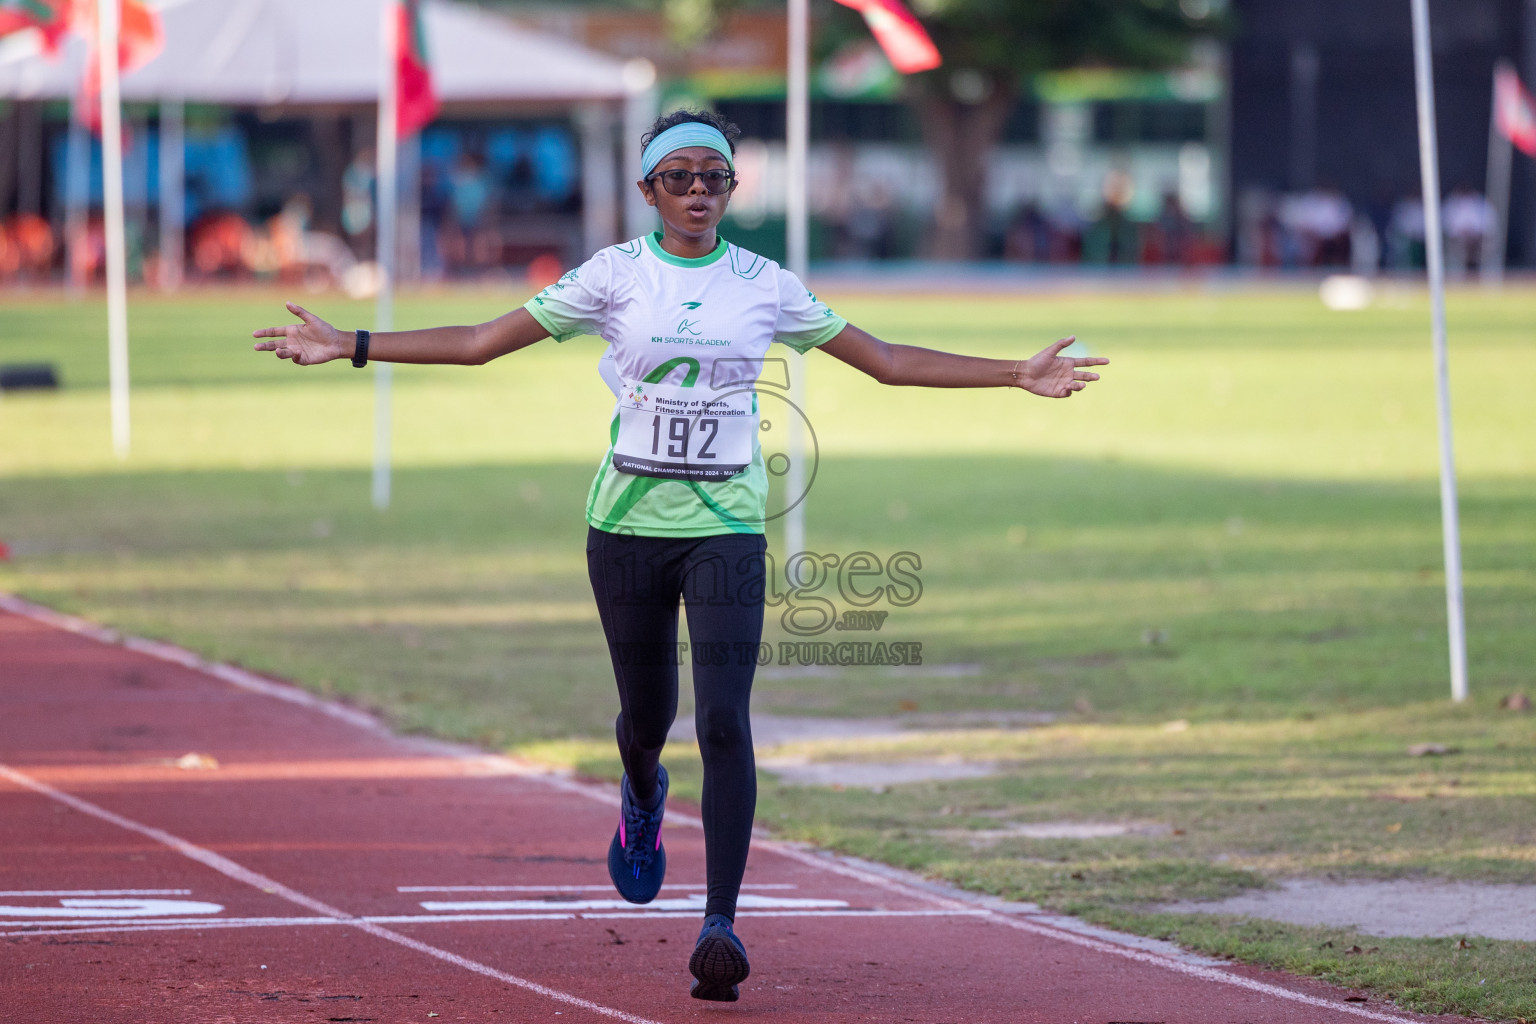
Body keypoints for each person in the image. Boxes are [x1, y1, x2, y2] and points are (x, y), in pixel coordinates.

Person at [252, 108, 1107, 1002]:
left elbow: (885, 361)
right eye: (681, 177)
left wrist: (1015, 372)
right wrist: (349, 344)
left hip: (726, 529)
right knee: (645, 722)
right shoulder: (614, 276)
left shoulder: (766, 285)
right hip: (624, 530)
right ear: (649, 189)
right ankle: (641, 793)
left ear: (733, 189)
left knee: (725, 722)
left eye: (715, 178)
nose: (699, 192)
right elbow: (476, 345)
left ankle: (720, 924)